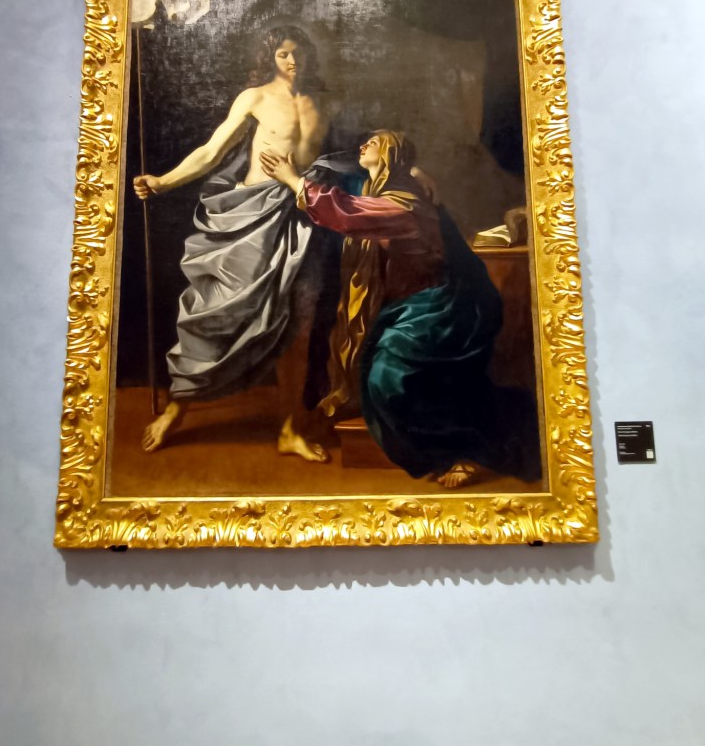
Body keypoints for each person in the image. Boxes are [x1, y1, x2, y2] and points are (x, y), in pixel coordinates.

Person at [260, 131, 542, 488]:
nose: (364, 144)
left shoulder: (403, 204)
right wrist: (415, 169)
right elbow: (345, 175)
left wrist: (290, 179)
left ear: (392, 155)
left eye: (376, 142)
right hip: (411, 306)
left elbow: (347, 212)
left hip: (441, 307)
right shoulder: (387, 188)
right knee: (381, 376)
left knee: (389, 377)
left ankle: (464, 451)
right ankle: (443, 449)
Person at [134, 25, 330, 451]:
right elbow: (212, 152)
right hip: (252, 218)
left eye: (298, 52)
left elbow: (342, 159)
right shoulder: (254, 98)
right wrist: (163, 182)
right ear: (269, 57)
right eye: (283, 53)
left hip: (300, 217)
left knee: (299, 326)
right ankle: (176, 410)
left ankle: (289, 430)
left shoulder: (325, 102)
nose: (292, 61)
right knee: (217, 315)